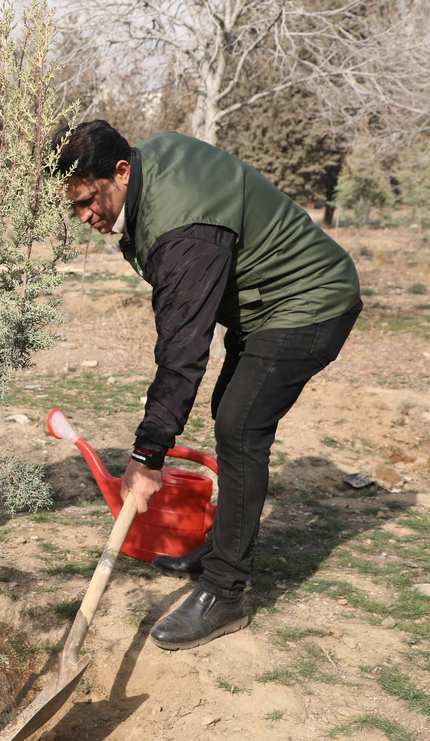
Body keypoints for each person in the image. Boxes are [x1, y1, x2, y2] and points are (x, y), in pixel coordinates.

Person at [52, 121, 362, 650]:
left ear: (121, 171)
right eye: (73, 206)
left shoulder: (183, 227)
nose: (83, 216)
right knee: (231, 411)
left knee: (241, 424)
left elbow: (182, 352)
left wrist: (147, 456)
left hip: (311, 300)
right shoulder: (147, 174)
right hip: (264, 305)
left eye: (87, 201)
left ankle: (225, 591)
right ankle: (223, 549)